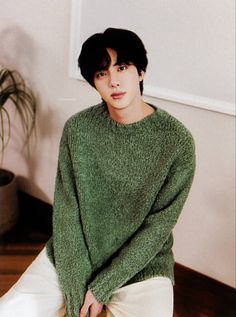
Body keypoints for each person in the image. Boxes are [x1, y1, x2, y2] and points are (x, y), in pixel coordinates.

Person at [0, 28, 195, 317]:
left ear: (140, 72)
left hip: (141, 268)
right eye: (102, 74)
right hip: (74, 255)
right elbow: (67, 213)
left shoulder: (177, 142)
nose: (113, 81)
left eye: (123, 67)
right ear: (94, 82)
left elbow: (157, 228)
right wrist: (77, 290)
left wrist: (102, 287)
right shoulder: (78, 130)